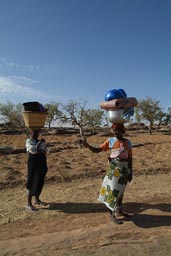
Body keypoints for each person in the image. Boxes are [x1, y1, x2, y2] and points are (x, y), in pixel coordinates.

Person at [83, 123, 133, 224]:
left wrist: (130, 172)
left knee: (120, 192)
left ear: (122, 131)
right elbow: (98, 150)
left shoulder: (128, 142)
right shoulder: (110, 141)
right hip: (113, 169)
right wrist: (88, 146)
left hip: (124, 170)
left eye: (117, 130)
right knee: (111, 191)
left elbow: (130, 159)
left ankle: (119, 210)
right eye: (114, 130)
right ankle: (111, 214)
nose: (115, 132)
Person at [25, 129, 48, 211]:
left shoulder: (39, 141)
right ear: (30, 133)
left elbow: (45, 150)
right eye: (34, 133)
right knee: (31, 181)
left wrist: (41, 147)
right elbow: (33, 151)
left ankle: (37, 200)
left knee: (39, 181)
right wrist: (39, 144)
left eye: (37, 133)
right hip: (33, 163)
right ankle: (28, 204)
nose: (36, 134)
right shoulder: (28, 141)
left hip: (41, 163)